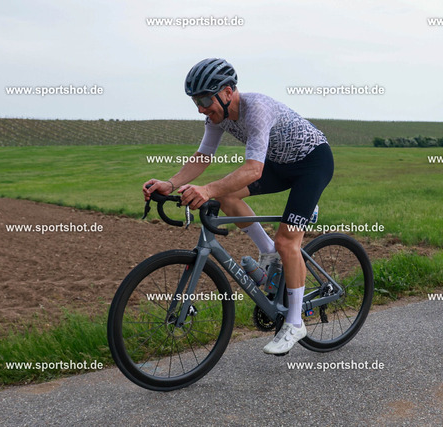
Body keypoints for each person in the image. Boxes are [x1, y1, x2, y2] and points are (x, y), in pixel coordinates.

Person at [143, 58, 334, 354]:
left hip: (312, 163)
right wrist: (170, 183)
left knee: (287, 242)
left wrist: (207, 189)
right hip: (279, 165)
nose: (201, 108)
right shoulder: (216, 117)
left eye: (205, 100)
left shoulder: (256, 109)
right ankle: (268, 251)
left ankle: (295, 323)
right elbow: (203, 156)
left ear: (228, 92)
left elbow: (254, 169)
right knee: (227, 197)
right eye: (196, 101)